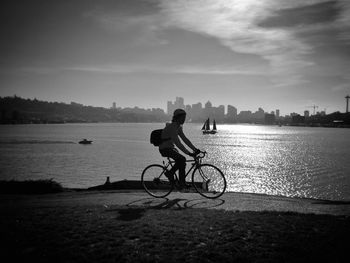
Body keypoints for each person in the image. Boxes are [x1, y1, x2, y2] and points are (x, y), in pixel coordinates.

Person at [159, 109, 201, 188]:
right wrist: (188, 153)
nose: (184, 119)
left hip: (170, 148)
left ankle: (181, 182)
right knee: (182, 159)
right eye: (182, 118)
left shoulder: (178, 127)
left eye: (185, 117)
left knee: (182, 162)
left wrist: (195, 149)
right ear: (177, 118)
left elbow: (185, 139)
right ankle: (170, 174)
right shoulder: (172, 127)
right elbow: (178, 143)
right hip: (164, 149)